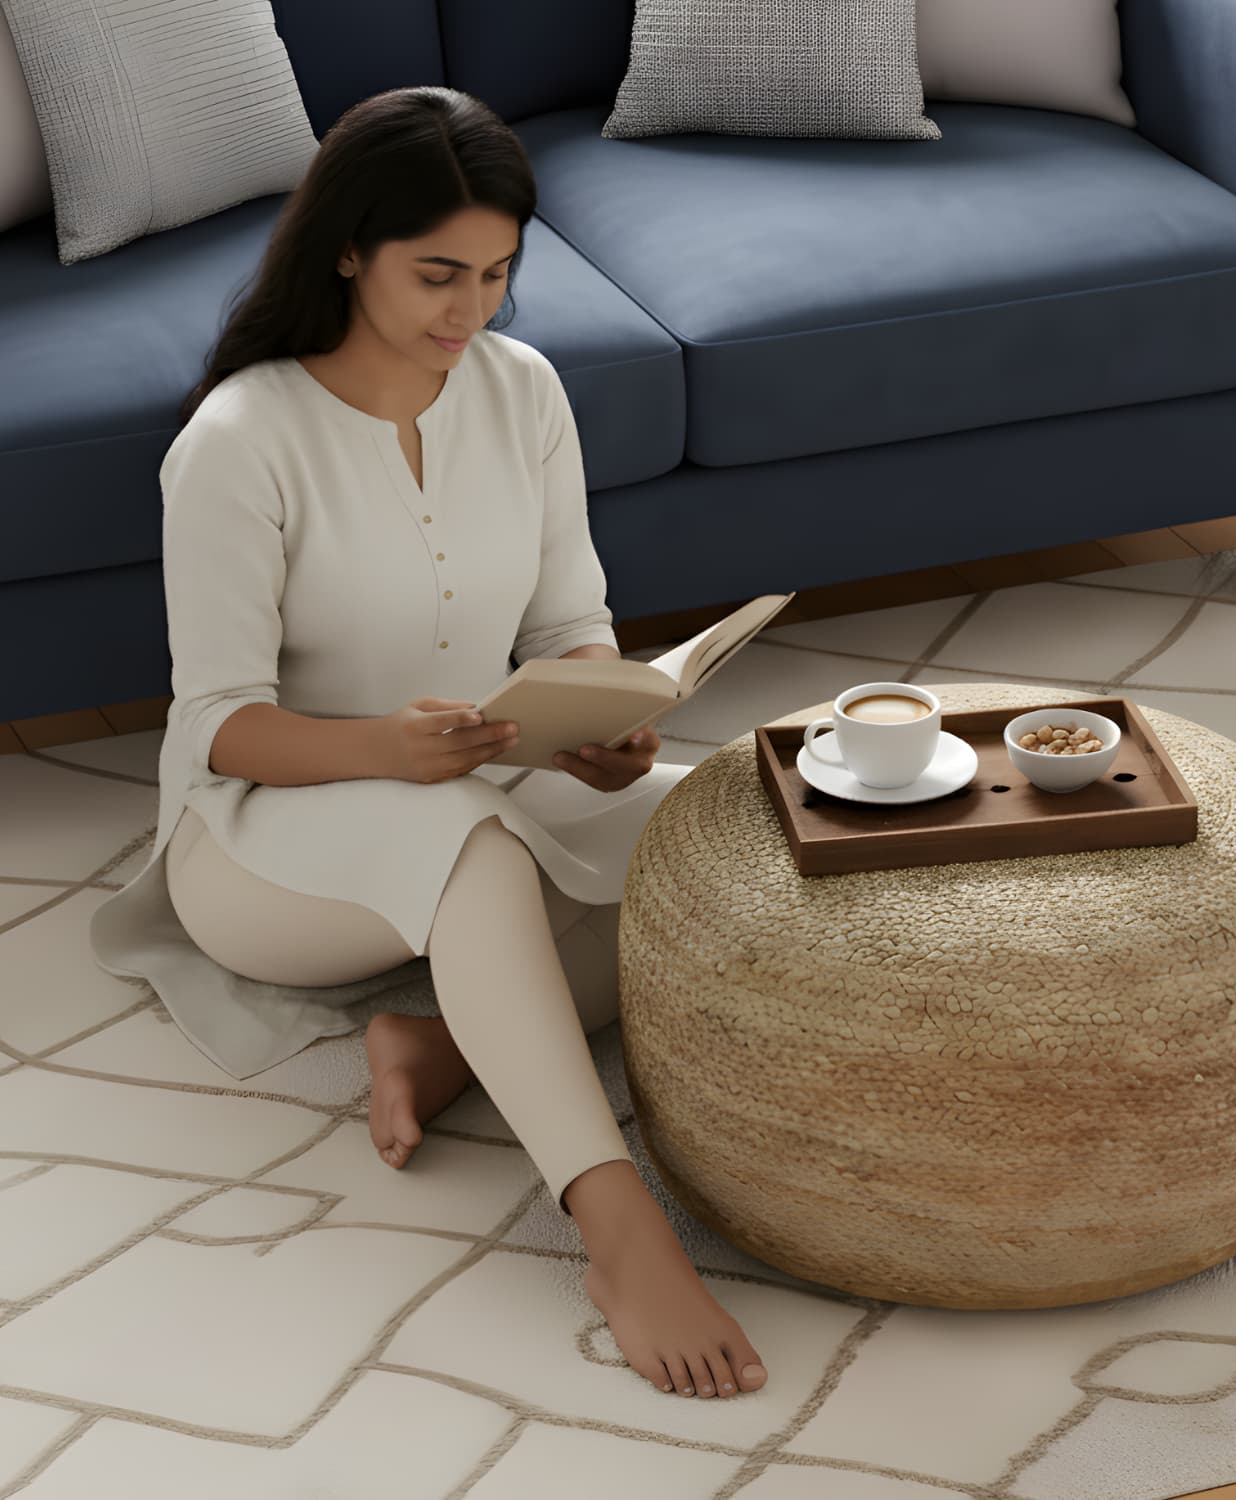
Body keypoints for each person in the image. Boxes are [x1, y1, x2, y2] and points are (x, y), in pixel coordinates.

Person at [88, 84, 767, 1402]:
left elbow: (572, 616)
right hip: (260, 840)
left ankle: (442, 1043)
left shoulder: (522, 392)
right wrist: (386, 754)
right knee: (477, 857)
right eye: (438, 274)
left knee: (731, 820)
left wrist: (600, 719)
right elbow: (222, 729)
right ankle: (614, 1225)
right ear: (348, 246)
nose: (473, 312)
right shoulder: (242, 441)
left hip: (481, 773)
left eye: (500, 274)